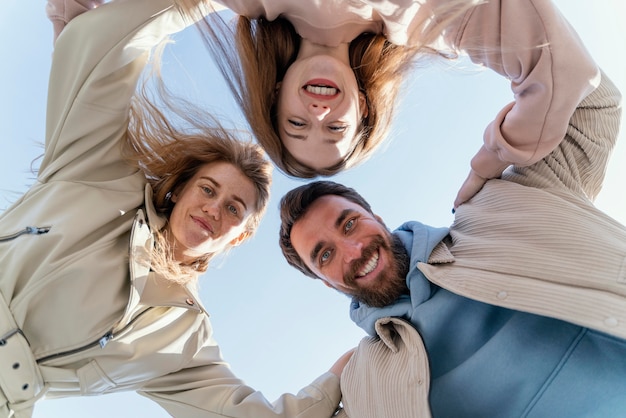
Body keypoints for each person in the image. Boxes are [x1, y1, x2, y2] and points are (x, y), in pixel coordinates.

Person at [0, 1, 351, 416]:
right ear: (182, 190)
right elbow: (108, 61)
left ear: (239, 235)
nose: (213, 208)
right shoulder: (100, 173)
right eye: (207, 189)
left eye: (234, 208)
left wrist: (338, 381)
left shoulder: (181, 336)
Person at [278, 68, 626, 416]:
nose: (354, 251)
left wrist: (502, 145)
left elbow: (593, 100)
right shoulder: (363, 384)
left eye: (351, 224)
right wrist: (325, 389)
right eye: (325, 255)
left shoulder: (498, 206)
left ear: (378, 219)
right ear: (325, 282)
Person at [195, 0, 595, 208]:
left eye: (297, 124)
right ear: (364, 110)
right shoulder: (429, 20)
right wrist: (490, 161)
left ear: (276, 92)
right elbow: (563, 70)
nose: (318, 115)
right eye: (335, 129)